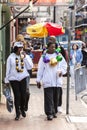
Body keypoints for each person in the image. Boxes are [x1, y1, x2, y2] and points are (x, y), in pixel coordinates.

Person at [36, 41, 67, 121]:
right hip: (47, 81)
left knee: (55, 98)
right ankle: (49, 113)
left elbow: (64, 66)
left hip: (57, 81)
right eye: (51, 47)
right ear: (48, 48)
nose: (53, 48)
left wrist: (61, 71)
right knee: (49, 98)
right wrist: (38, 80)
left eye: (54, 47)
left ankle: (54, 112)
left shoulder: (59, 56)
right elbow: (40, 69)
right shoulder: (43, 57)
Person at [4, 41, 33, 121]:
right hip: (14, 79)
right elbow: (8, 69)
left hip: (23, 77)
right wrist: (6, 80)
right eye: (19, 48)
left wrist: (25, 57)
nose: (20, 49)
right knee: (17, 96)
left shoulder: (25, 56)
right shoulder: (10, 57)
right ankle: (17, 113)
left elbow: (30, 67)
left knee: (24, 95)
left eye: (21, 48)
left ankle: (22, 108)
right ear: (15, 48)